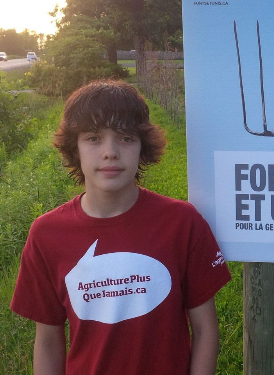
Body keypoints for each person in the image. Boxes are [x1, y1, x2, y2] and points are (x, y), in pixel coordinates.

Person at [11, 80, 231, 375]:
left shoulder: (182, 222)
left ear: (143, 146)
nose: (110, 152)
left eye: (125, 138)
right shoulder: (47, 234)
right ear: (74, 147)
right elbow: (48, 341)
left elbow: (205, 331)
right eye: (93, 138)